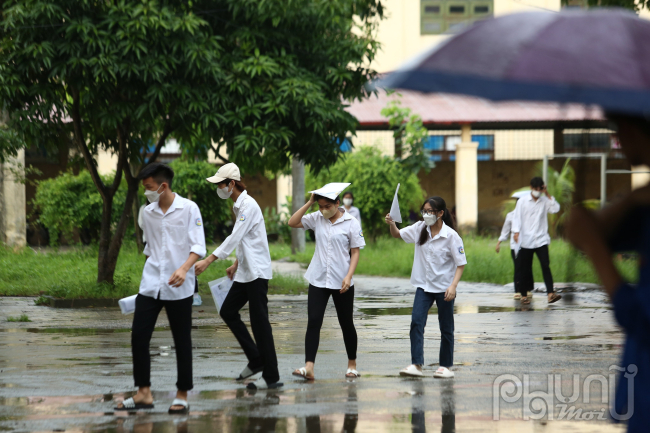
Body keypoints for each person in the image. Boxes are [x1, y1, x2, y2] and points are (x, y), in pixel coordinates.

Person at [566, 113, 650, 433]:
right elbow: (604, 232)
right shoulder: (642, 203)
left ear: (628, 128)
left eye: (617, 131)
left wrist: (594, 249)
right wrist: (630, 200)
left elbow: (639, 317)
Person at [114, 163, 205, 415]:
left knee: (182, 340)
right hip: (151, 284)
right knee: (139, 337)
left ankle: (182, 395)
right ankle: (144, 393)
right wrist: (151, 271)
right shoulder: (148, 213)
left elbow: (198, 246)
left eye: (149, 187)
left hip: (179, 286)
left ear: (163, 186)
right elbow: (150, 248)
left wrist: (184, 268)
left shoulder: (188, 209)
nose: (146, 192)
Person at [194, 163, 282, 390]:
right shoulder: (239, 206)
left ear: (231, 184)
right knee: (228, 310)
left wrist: (208, 259)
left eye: (220, 184)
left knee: (260, 322)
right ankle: (255, 360)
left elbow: (234, 237)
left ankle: (271, 377)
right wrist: (236, 263)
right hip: (245, 271)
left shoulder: (248, 205)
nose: (218, 188)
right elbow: (247, 239)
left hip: (257, 273)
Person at [287, 186, 365, 380]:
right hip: (318, 278)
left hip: (342, 280)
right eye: (321, 206)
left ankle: (352, 365)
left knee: (346, 323)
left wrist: (349, 275)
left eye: (327, 206)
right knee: (313, 321)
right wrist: (310, 202)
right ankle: (309, 367)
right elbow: (292, 222)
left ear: (337, 203)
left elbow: (355, 252)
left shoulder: (351, 223)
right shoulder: (316, 217)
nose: (323, 210)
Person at [385, 196, 466, 379]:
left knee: (446, 328)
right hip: (423, 286)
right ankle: (416, 364)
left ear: (440, 214)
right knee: (416, 322)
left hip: (444, 288)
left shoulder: (451, 236)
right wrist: (392, 223)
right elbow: (397, 234)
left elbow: (460, 264)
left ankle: (445, 366)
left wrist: (453, 286)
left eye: (430, 211)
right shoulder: (420, 228)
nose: (427, 215)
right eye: (425, 211)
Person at [512, 178, 562, 305]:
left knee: (546, 266)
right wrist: (516, 232)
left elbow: (555, 208)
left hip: (541, 240)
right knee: (525, 269)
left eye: (540, 189)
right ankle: (524, 295)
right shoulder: (523, 201)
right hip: (526, 241)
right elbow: (516, 217)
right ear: (531, 188)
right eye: (535, 189)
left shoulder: (545, 201)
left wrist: (547, 194)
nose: (537, 192)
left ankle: (550, 294)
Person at [496, 191, 527, 300]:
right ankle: (517, 290)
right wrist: (499, 243)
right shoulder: (511, 215)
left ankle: (526, 290)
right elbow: (505, 231)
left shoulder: (529, 216)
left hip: (528, 245)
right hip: (515, 247)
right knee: (518, 267)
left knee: (527, 267)